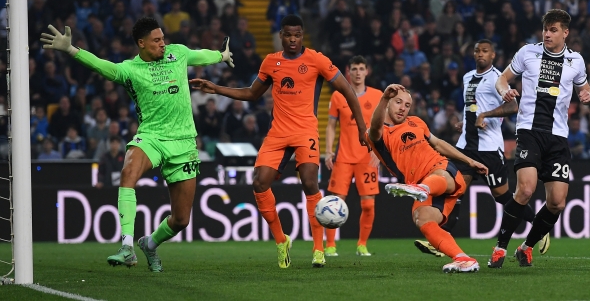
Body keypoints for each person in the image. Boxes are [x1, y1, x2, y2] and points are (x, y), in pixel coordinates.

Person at [40, 17, 234, 272]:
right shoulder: (130, 70)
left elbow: (202, 56)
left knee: (181, 220)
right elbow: (101, 66)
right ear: (141, 43)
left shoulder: (178, 53)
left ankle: (150, 244)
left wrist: (222, 55)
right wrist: (71, 50)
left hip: (184, 142)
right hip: (151, 137)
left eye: (163, 38)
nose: (163, 44)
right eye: (156, 41)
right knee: (128, 174)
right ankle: (127, 247)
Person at [190, 14, 369, 268]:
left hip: (306, 130)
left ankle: (319, 250)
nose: (293, 39)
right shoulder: (271, 62)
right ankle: (281, 240)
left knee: (309, 180)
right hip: (278, 133)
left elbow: (348, 90)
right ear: (281, 35)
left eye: (297, 35)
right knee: (259, 183)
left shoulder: (317, 60)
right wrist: (215, 88)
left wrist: (363, 128)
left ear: (302, 35)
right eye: (288, 34)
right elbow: (252, 93)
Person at [415, 40, 544, 257]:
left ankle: (538, 225)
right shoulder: (467, 77)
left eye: (485, 51)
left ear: (493, 55)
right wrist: (465, 123)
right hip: (465, 147)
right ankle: (438, 238)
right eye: (477, 51)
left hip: (488, 150)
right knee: (454, 192)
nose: (480, 54)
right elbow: (472, 107)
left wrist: (485, 115)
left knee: (503, 197)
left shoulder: (497, 78)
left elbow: (513, 106)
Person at [490, 9, 590, 268]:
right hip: (529, 131)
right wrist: (505, 91)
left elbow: (585, 86)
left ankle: (526, 247)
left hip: (558, 138)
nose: (547, 34)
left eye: (554, 30)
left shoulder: (576, 61)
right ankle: (499, 248)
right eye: (546, 29)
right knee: (525, 189)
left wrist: (588, 94)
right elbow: (502, 78)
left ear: (565, 33)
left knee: (557, 202)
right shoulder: (528, 53)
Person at [367, 84, 488, 273]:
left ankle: (424, 189)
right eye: (398, 102)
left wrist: (470, 161)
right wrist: (383, 98)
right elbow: (374, 127)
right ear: (388, 103)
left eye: (407, 105)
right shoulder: (379, 134)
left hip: (442, 171)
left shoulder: (417, 122)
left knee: (437, 176)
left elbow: (438, 144)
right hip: (424, 186)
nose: (403, 108)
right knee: (422, 219)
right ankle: (464, 259)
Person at [324, 56, 383, 257]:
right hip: (343, 158)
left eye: (361, 69)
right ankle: (330, 246)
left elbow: (384, 127)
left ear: (367, 71)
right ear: (348, 72)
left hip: (368, 158)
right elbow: (331, 125)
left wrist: (380, 153)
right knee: (335, 204)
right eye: (354, 69)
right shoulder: (338, 96)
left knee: (368, 204)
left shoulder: (377, 96)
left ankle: (362, 245)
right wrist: (329, 151)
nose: (358, 73)